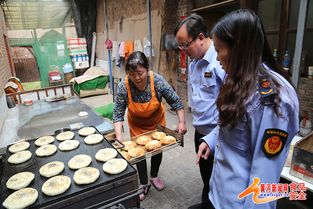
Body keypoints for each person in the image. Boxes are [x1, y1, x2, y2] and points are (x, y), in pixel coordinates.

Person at [197, 9, 299, 209]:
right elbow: (234, 123)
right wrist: (211, 139)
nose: (217, 58)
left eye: (219, 50)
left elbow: (264, 178)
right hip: (219, 194)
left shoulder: (274, 99)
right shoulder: (238, 76)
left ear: (239, 48)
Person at [113, 51, 187, 201]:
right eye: (132, 74)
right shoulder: (123, 86)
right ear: (128, 73)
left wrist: (182, 122)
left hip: (156, 124)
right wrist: (119, 136)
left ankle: (154, 176)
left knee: (157, 149)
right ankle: (144, 182)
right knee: (138, 153)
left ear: (147, 69)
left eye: (140, 73)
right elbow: (118, 112)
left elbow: (176, 101)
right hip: (136, 124)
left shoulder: (157, 81)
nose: (137, 77)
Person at [174, 14, 225, 209]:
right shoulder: (195, 62)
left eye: (185, 45)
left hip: (218, 136)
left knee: (219, 182)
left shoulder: (220, 63)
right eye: (181, 46)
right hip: (201, 134)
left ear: (201, 37)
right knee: (207, 177)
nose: (183, 51)